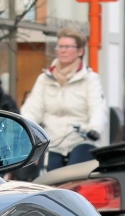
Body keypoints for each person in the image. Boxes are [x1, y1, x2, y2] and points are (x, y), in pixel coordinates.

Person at [19, 27, 108, 171]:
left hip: (81, 139)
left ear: (80, 51)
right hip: (52, 141)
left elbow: (97, 107)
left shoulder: (90, 79)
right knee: (48, 178)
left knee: (76, 175)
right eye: (60, 46)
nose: (63, 50)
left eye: (68, 47)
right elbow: (32, 108)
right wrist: (24, 128)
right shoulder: (45, 79)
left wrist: (95, 128)